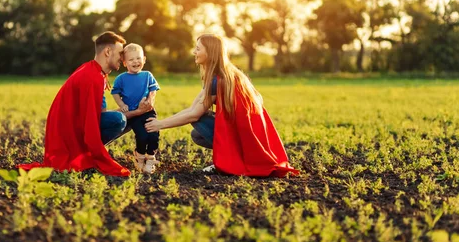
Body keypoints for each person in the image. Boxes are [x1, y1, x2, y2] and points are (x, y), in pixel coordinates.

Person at [145, 34, 299, 177]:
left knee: (199, 120)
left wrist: (160, 125)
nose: (194, 52)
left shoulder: (218, 80)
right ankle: (232, 159)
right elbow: (192, 108)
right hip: (246, 134)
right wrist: (160, 123)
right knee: (197, 135)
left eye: (198, 49)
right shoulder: (222, 74)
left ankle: (229, 162)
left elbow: (194, 115)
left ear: (210, 53)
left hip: (244, 136)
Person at [18, 32, 152, 176]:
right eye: (120, 53)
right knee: (119, 119)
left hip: (74, 128)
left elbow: (100, 113)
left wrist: (134, 112)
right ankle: (87, 155)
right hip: (68, 136)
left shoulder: (96, 72)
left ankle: (93, 152)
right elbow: (92, 122)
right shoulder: (92, 77)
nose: (122, 58)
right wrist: (137, 112)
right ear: (107, 51)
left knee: (128, 119)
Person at [111, 43, 161, 174]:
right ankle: (139, 156)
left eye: (138, 58)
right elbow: (115, 93)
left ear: (144, 59)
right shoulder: (121, 79)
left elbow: (153, 90)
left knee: (154, 133)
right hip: (134, 113)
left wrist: (150, 100)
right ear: (125, 63)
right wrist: (122, 105)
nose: (135, 62)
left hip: (148, 110)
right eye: (131, 59)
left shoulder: (147, 75)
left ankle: (150, 158)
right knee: (142, 135)